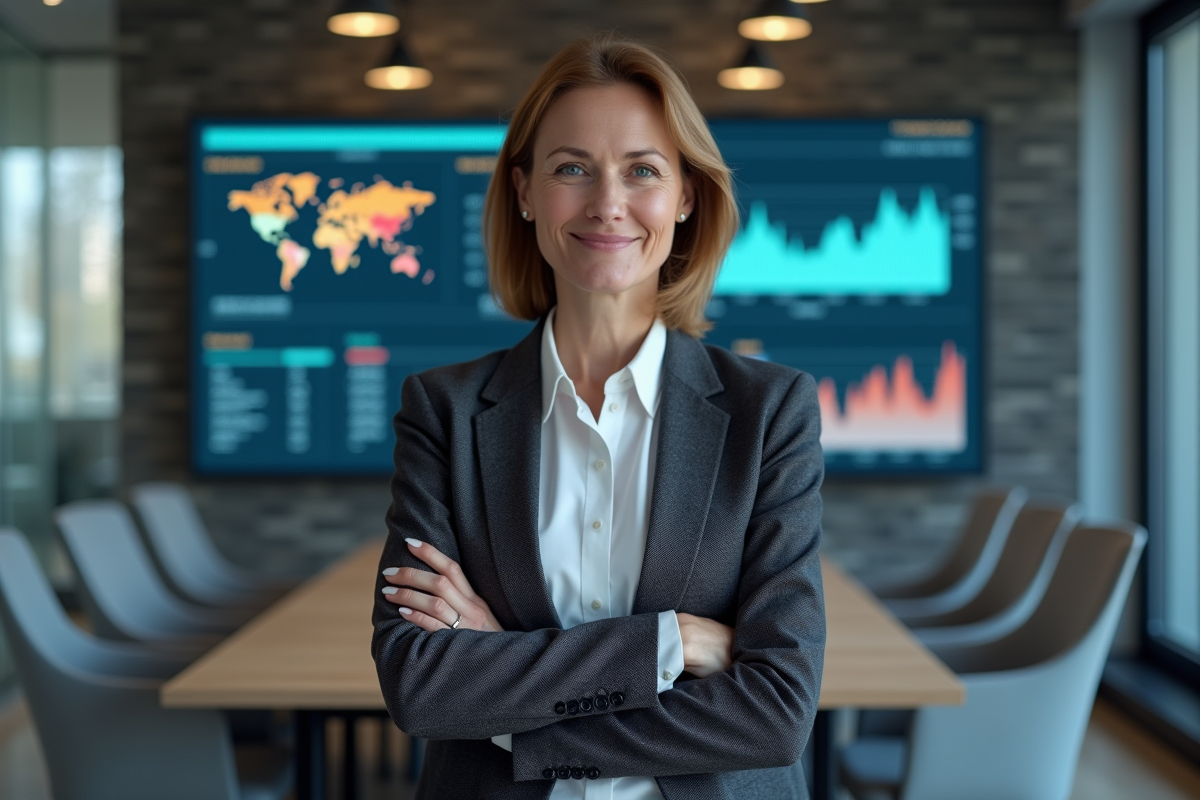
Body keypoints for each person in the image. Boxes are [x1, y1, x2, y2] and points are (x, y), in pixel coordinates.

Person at [372, 32, 825, 800]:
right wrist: (666, 645)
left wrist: (506, 687)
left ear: (685, 196)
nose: (607, 204)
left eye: (642, 171)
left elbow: (775, 714)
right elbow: (422, 687)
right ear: (523, 192)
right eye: (571, 168)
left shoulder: (769, 411)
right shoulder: (442, 412)